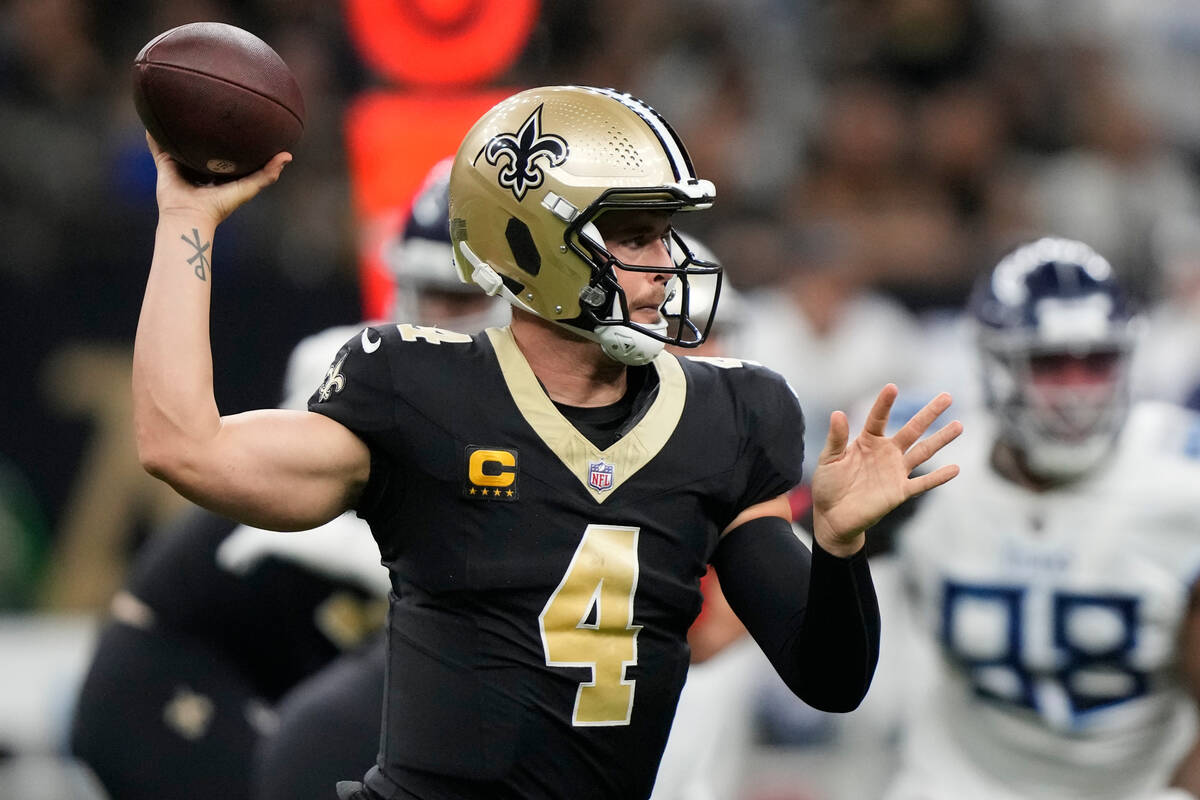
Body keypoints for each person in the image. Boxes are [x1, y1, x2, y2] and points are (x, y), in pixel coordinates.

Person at [132, 84, 962, 800]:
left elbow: (831, 679)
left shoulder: (730, 413)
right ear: (537, 240)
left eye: (666, 233)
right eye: (635, 234)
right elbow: (184, 447)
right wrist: (186, 219)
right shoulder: (420, 390)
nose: (666, 263)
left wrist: (839, 548)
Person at [69, 159, 499, 800]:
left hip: (267, 675)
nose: (438, 314)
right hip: (171, 670)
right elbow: (372, 533)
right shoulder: (359, 363)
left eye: (461, 297)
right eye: (425, 288)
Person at [884, 237, 1200, 800]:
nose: (1078, 393)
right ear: (994, 363)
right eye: (1052, 364)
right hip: (957, 781)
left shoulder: (1182, 480)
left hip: (1140, 785)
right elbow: (796, 561)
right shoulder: (924, 459)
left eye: (1097, 362)